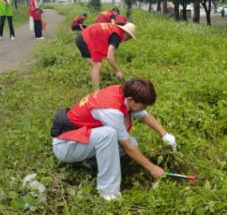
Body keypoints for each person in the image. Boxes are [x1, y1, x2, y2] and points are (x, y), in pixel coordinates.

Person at [50, 78, 178, 201]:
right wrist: (152, 168)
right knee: (109, 135)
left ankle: (88, 162)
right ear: (131, 100)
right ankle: (108, 192)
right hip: (66, 146)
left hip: (81, 141)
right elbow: (127, 147)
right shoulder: (111, 111)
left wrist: (164, 134)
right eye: (143, 105)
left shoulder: (122, 92)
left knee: (132, 142)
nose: (145, 109)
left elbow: (142, 115)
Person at [76, 21, 136, 86]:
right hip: (84, 39)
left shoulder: (115, 29)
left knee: (96, 64)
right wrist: (117, 71)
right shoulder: (116, 36)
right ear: (126, 33)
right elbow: (110, 57)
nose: (127, 40)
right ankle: (96, 91)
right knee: (97, 65)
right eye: (129, 37)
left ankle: (93, 82)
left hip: (85, 36)